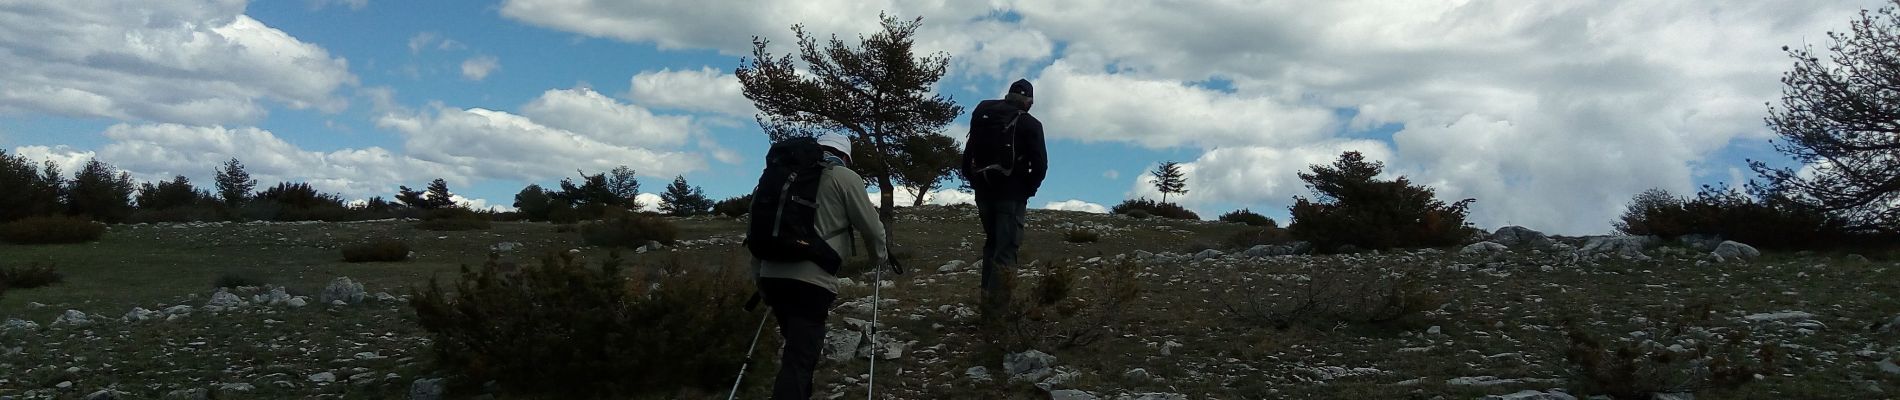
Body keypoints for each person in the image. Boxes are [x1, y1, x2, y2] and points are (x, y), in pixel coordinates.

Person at [754, 133, 890, 399]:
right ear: (846, 156)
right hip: (812, 280)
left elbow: (758, 228)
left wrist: (759, 277)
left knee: (796, 351)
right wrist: (880, 257)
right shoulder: (844, 177)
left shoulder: (778, 176)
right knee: (800, 360)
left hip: (771, 275)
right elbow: (872, 228)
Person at [960, 79, 1048, 315]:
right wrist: (1028, 190)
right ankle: (996, 316)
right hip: (1011, 195)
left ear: (1008, 95)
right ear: (1029, 101)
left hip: (984, 192)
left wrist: (977, 182)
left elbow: (967, 157)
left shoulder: (983, 113)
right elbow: (1040, 166)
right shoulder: (1031, 124)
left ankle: (987, 308)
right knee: (1006, 251)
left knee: (991, 245)